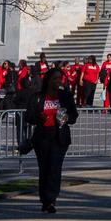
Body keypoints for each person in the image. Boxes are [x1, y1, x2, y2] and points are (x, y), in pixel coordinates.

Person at [22, 79, 77, 214]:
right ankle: (45, 199)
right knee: (44, 169)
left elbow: (74, 116)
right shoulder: (38, 97)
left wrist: (67, 118)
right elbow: (29, 116)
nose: (56, 82)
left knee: (55, 167)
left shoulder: (65, 96)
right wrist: (38, 117)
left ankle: (51, 199)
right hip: (42, 137)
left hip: (59, 137)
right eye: (54, 78)